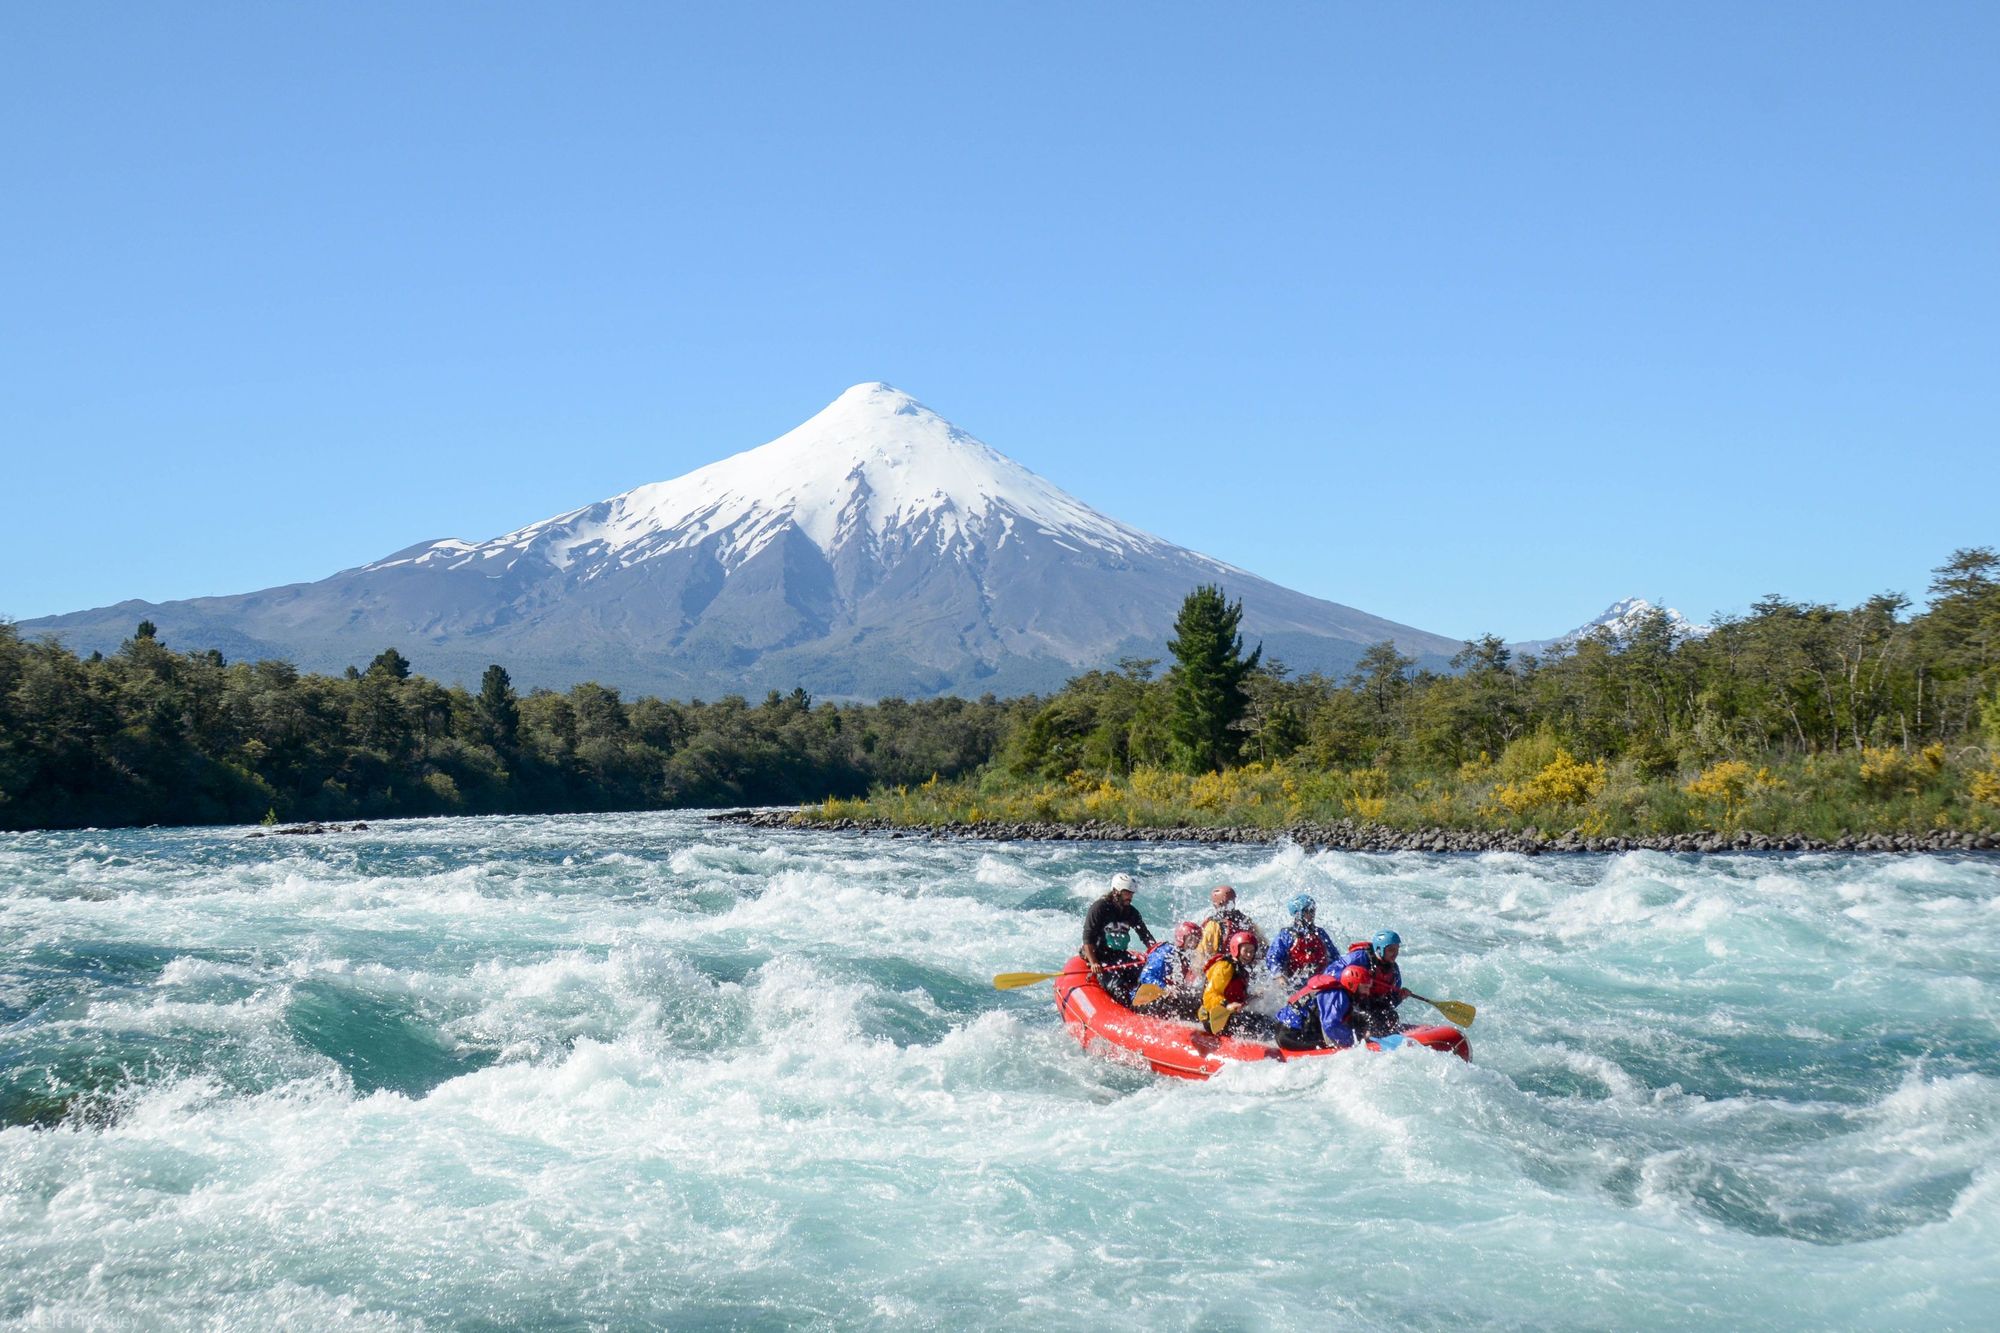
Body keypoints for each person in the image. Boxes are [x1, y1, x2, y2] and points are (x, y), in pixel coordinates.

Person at [1081, 872, 1156, 1005]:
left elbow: (1145, 935)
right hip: (1100, 957)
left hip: (1119, 955)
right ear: (1116, 891)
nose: (1130, 897)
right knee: (1118, 990)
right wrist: (1093, 962)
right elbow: (1088, 937)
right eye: (1127, 893)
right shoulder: (1099, 908)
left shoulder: (1131, 912)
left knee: (1147, 977)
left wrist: (1155, 950)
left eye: (1132, 893)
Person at [1332, 929, 1410, 1041]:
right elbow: (1332, 971)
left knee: (1391, 1016)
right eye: (1391, 950)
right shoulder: (1359, 958)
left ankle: (1380, 1037)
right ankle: (1360, 1038)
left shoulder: (1394, 971)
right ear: (1379, 949)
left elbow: (1389, 1003)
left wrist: (1399, 997)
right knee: (1368, 1018)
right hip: (1352, 1002)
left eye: (1397, 949)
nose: (1395, 953)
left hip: (1371, 1004)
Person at [1196, 929, 1263, 1035]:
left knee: (1263, 1019)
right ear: (1236, 949)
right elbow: (1210, 995)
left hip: (1228, 1016)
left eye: (1252, 951)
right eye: (1246, 951)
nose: (1249, 955)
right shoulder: (1224, 967)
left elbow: (1237, 999)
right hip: (1212, 1018)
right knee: (1260, 1025)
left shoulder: (1242, 971)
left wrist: (1253, 997)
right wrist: (1226, 1005)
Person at [1264, 894, 1336, 988]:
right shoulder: (1287, 935)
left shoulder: (1320, 933)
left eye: (1313, 910)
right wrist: (1279, 976)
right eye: (1307, 911)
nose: (1312, 914)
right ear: (1298, 914)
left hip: (1320, 982)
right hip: (1294, 985)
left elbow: (1335, 958)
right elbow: (1273, 957)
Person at [1197, 885, 1260, 962]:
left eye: (1232, 901)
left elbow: (1259, 941)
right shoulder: (1213, 925)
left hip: (1241, 961)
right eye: (1229, 902)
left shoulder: (1244, 920)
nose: (1232, 905)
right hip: (1226, 964)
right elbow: (1203, 955)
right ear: (1220, 904)